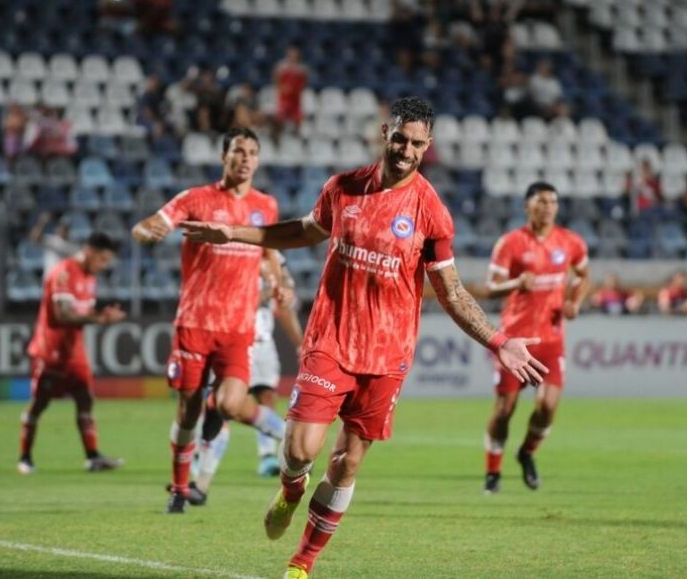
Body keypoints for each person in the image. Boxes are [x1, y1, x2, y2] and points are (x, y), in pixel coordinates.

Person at [183, 96, 547, 578]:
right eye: (400, 138)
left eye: (417, 143)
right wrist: (233, 233)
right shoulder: (344, 187)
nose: (406, 150)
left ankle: (302, 564)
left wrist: (499, 341)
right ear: (385, 132)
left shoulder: (431, 213)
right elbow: (303, 231)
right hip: (331, 339)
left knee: (347, 463)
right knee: (298, 452)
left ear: (428, 146)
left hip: (388, 354)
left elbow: (452, 291)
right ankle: (292, 489)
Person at [131, 127, 288, 514]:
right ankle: (180, 489)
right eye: (238, 150)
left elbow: (266, 249)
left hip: (238, 329)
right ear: (224, 157)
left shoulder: (265, 205)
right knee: (187, 409)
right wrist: (147, 233)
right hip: (195, 324)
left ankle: (282, 435)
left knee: (230, 403)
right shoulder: (196, 198)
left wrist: (276, 280)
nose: (246, 157)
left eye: (252, 151)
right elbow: (151, 223)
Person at [481, 181, 590, 495]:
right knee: (504, 410)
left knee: (548, 407)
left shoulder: (569, 242)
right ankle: (493, 470)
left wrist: (574, 302)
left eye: (553, 202)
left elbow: (584, 275)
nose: (548, 207)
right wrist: (516, 283)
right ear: (527, 206)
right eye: (541, 201)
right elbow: (491, 286)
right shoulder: (511, 243)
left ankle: (526, 452)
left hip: (551, 340)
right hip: (514, 342)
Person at [185, 254, 304, 505]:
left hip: (259, 344)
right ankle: (296, 445)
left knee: (254, 400)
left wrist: (285, 291)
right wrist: (267, 292)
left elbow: (285, 295)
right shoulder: (231, 254)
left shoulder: (274, 258)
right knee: (224, 407)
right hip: (231, 341)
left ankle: (281, 452)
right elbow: (226, 301)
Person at [19, 232, 126, 475]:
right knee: (39, 404)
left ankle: (92, 457)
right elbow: (62, 314)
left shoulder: (90, 277)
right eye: (102, 259)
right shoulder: (63, 273)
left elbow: (81, 313)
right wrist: (99, 319)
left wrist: (100, 314)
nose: (104, 265)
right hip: (51, 350)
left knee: (85, 399)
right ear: (88, 251)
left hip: (75, 351)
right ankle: (25, 458)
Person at [272, 45, 309, 132]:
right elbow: (276, 79)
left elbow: (304, 82)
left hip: (295, 98)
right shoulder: (281, 66)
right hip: (284, 97)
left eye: (295, 55)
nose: (293, 57)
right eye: (291, 55)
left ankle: (296, 135)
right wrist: (282, 87)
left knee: (297, 118)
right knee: (280, 117)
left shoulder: (302, 69)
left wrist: (297, 89)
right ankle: (278, 135)